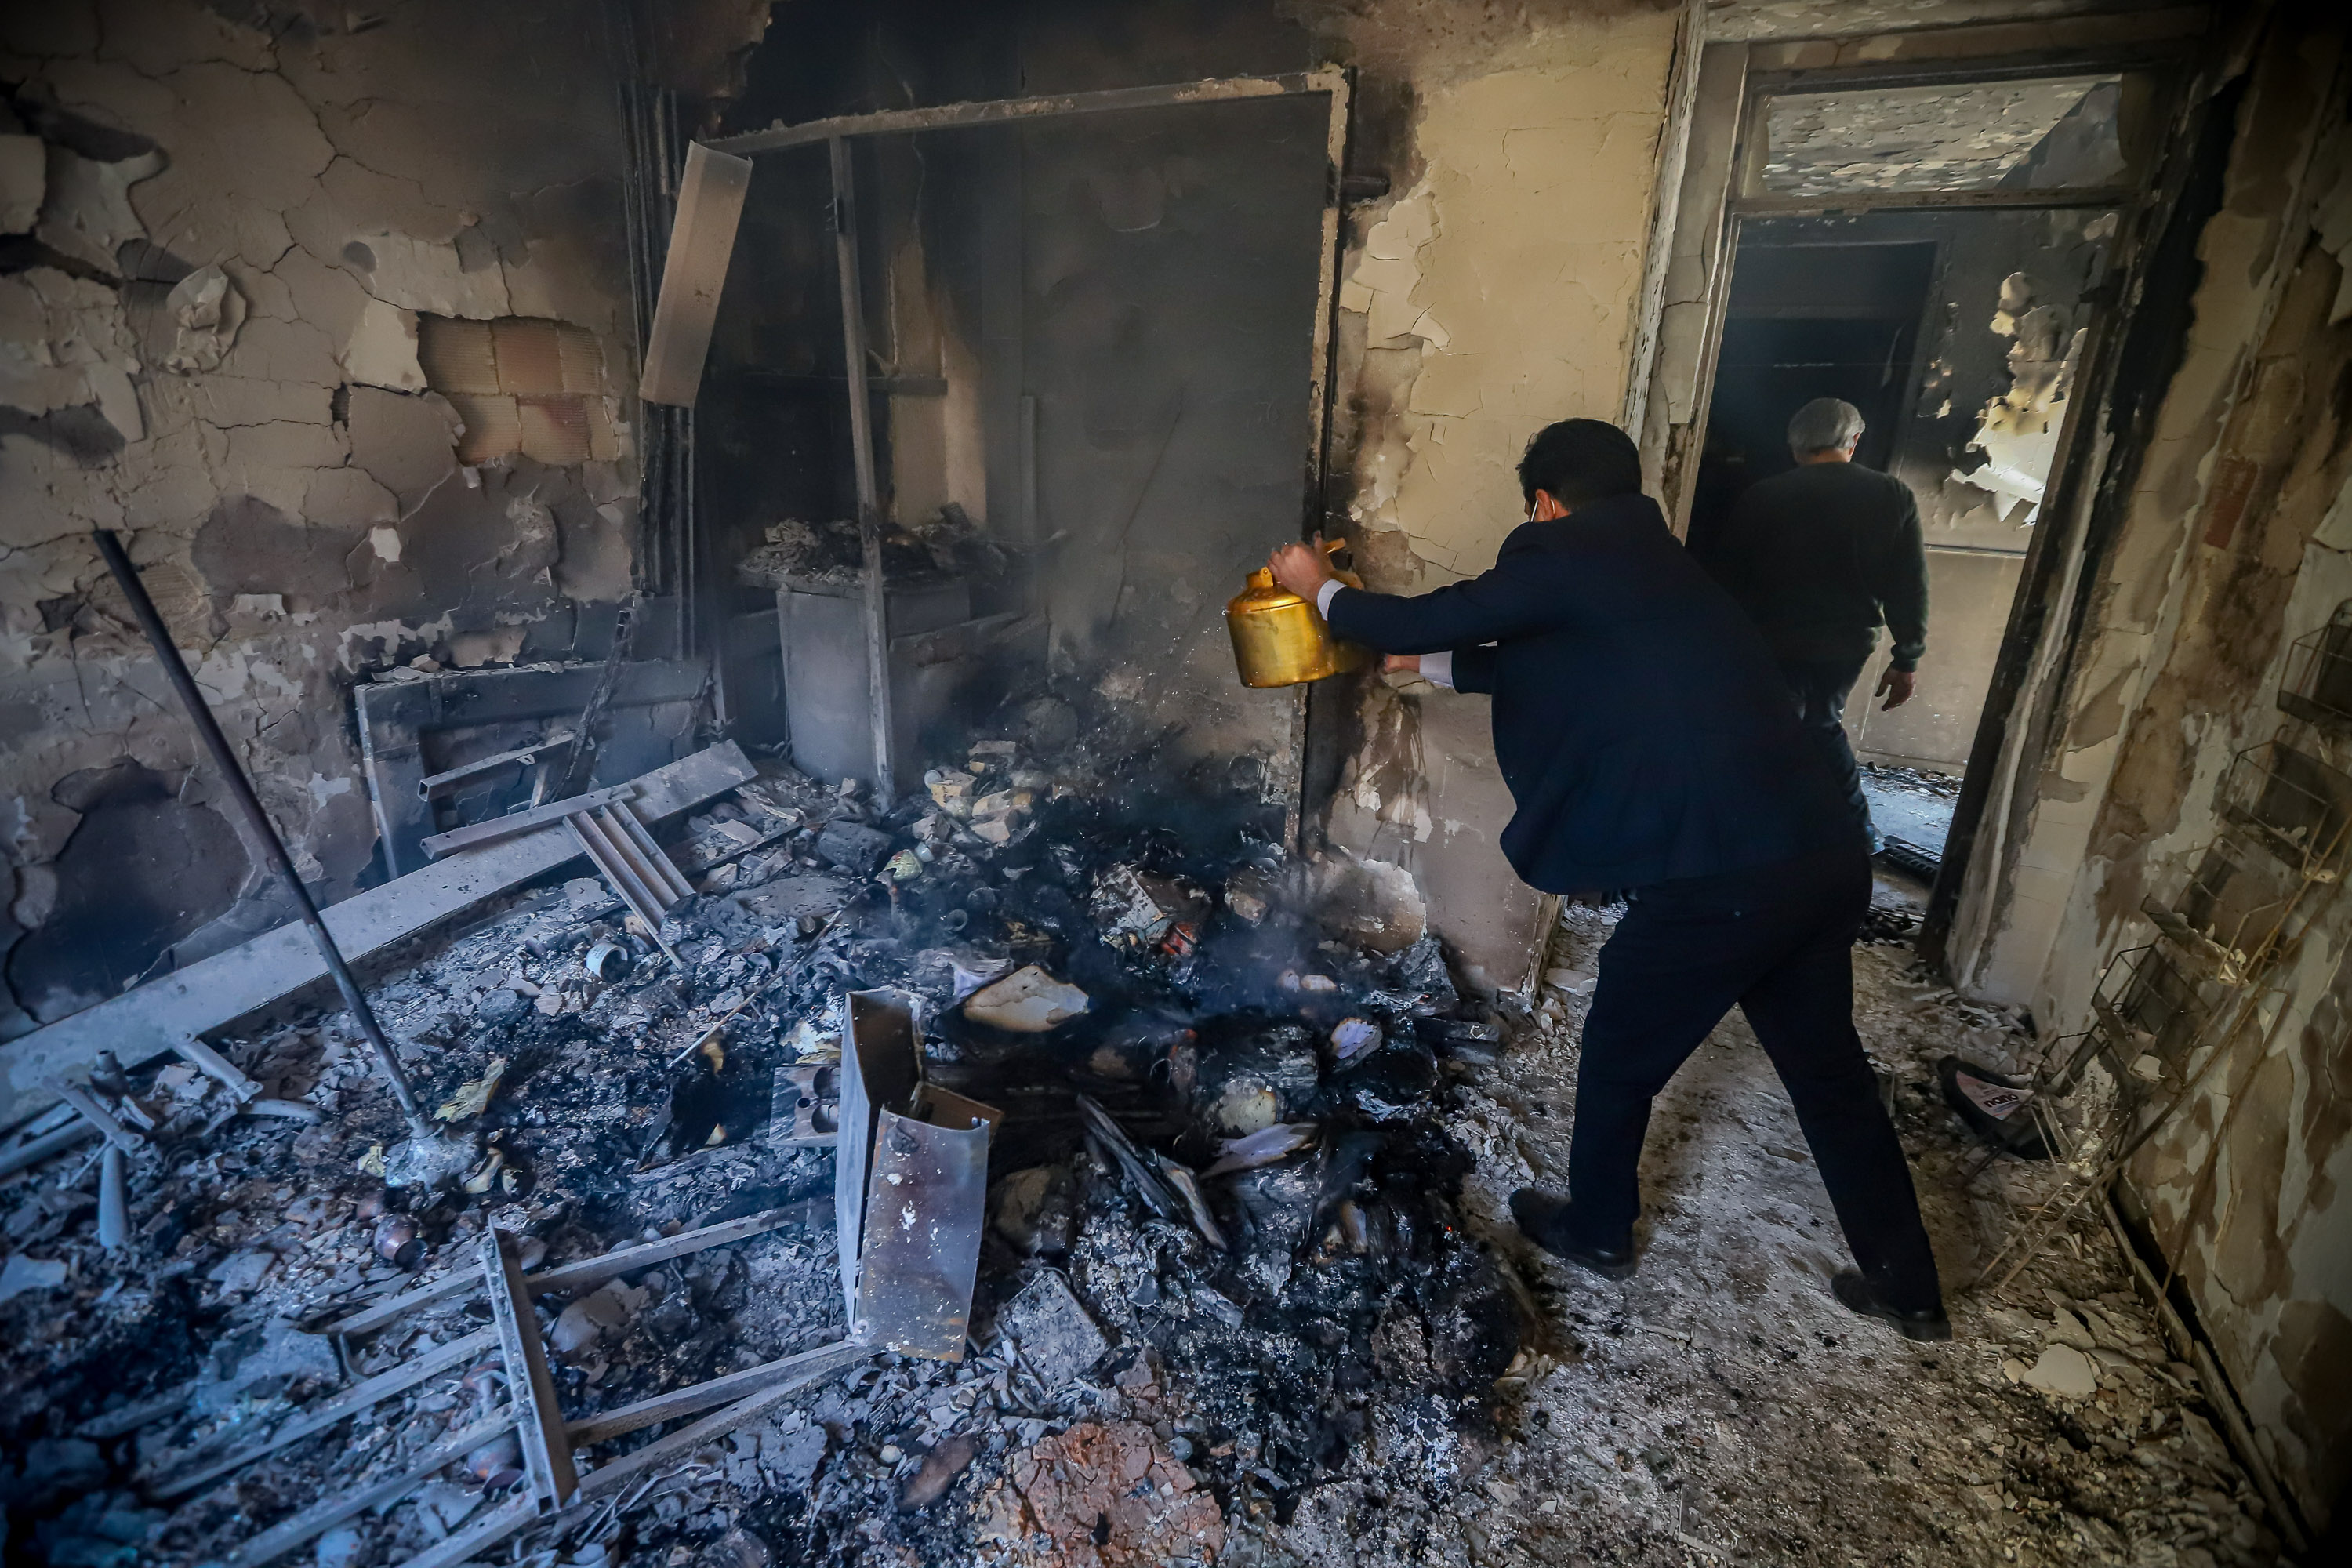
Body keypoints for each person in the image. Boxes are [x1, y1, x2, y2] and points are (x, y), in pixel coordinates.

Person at [1265, 418, 1948, 1340]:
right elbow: (1573, 662)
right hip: (1821, 855)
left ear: (1545, 502)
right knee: (1831, 1076)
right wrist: (1427, 663)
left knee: (1621, 1050)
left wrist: (1318, 586)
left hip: (1724, 878)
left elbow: (1425, 614)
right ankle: (1908, 1285)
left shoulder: (1563, 549)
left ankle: (1596, 1227)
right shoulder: (1661, 568)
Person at [1699, 397, 1929, 846]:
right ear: (1853, 441)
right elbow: (1909, 585)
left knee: (1766, 729)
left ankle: (1757, 831)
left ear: (1794, 446)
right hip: (1846, 645)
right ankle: (1854, 831)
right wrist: (1907, 657)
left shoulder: (1766, 496)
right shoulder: (1891, 495)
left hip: (1772, 641)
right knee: (1821, 724)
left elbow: (1730, 579)